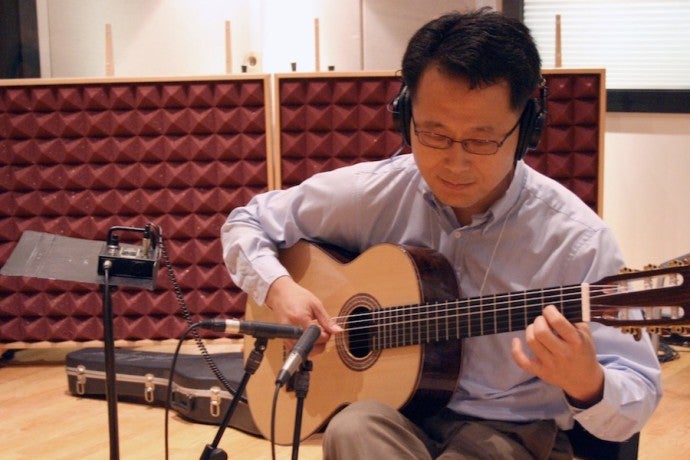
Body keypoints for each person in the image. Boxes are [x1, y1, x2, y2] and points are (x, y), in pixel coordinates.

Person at [221, 8, 662, 459]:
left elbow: (639, 394)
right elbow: (247, 221)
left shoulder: (577, 240)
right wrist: (279, 289)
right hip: (403, 413)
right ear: (404, 115)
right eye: (433, 134)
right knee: (353, 426)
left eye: (481, 140)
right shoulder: (376, 192)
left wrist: (587, 382)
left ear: (527, 129)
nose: (454, 163)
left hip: (512, 432)